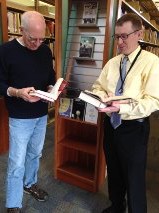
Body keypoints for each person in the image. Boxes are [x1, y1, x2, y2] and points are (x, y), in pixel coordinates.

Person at [92, 13, 159, 213]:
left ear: (139, 34)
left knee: (134, 177)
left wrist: (121, 107)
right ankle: (117, 207)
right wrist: (100, 96)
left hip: (133, 128)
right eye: (117, 37)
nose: (119, 42)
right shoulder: (113, 63)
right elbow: (97, 86)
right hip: (111, 125)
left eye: (124, 36)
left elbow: (153, 101)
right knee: (114, 171)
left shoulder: (152, 62)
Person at [0, 11, 55, 213]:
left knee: (35, 153)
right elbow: (0, 83)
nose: (37, 43)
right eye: (33, 38)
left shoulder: (45, 50)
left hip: (41, 113)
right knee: (16, 161)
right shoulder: (6, 51)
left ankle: (29, 184)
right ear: (22, 30)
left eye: (42, 38)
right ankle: (13, 204)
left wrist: (51, 87)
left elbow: (50, 75)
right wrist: (17, 92)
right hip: (20, 116)